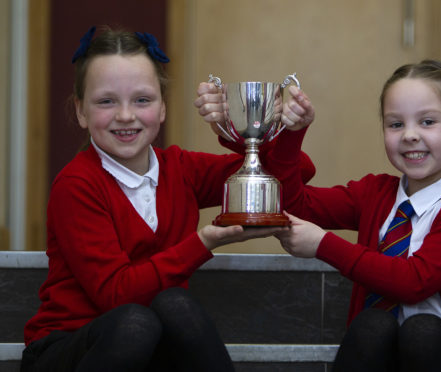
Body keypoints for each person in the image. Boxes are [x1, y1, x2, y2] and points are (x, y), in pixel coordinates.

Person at [21, 26, 313, 372]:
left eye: (142, 100)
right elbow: (117, 296)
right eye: (106, 101)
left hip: (151, 347)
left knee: (173, 303)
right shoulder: (76, 184)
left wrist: (242, 134)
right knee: (135, 321)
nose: (126, 115)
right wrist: (202, 242)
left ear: (162, 108)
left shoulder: (180, 169)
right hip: (70, 349)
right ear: (81, 111)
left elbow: (292, 172)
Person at [270, 60, 441, 371]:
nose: (409, 135)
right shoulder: (375, 193)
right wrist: (291, 136)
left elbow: (413, 282)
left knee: (423, 330)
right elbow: (295, 204)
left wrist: (324, 245)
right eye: (396, 124)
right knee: (373, 324)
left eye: (427, 122)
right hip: (382, 357)